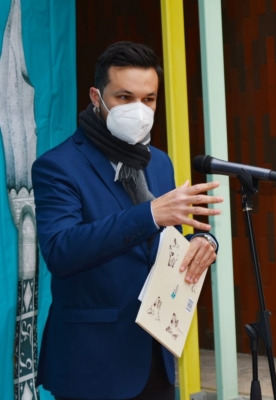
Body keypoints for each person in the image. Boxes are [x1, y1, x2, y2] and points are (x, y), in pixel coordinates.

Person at [32, 41, 223, 400]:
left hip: (156, 353)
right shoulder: (58, 167)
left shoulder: (159, 162)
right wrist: (149, 214)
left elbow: (169, 242)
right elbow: (61, 250)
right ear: (96, 97)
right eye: (124, 97)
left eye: (148, 99)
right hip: (93, 364)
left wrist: (204, 244)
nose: (139, 109)